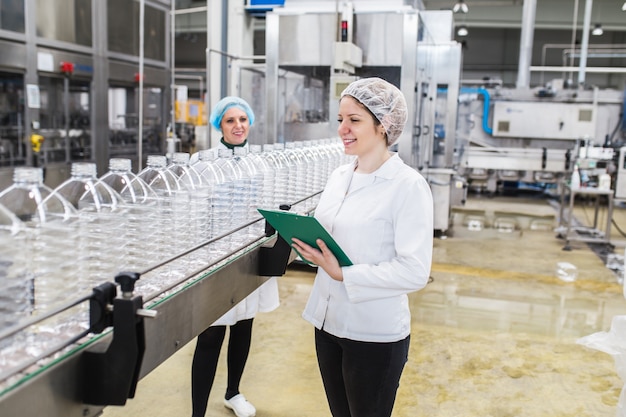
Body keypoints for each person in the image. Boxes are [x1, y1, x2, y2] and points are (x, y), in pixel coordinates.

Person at [291, 77, 434, 417]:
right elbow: (332, 239)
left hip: (374, 334)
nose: (343, 128)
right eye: (341, 119)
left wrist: (345, 274)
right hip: (327, 324)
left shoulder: (408, 186)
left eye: (354, 120)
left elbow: (415, 272)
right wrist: (306, 244)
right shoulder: (340, 176)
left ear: (383, 124)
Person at [191, 96, 279, 417]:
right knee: (211, 333)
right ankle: (197, 412)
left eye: (243, 120)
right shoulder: (203, 162)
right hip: (215, 259)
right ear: (219, 125)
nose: (238, 126)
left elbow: (270, 203)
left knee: (243, 325)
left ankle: (233, 392)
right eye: (230, 120)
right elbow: (195, 214)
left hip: (250, 254)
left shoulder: (261, 163)